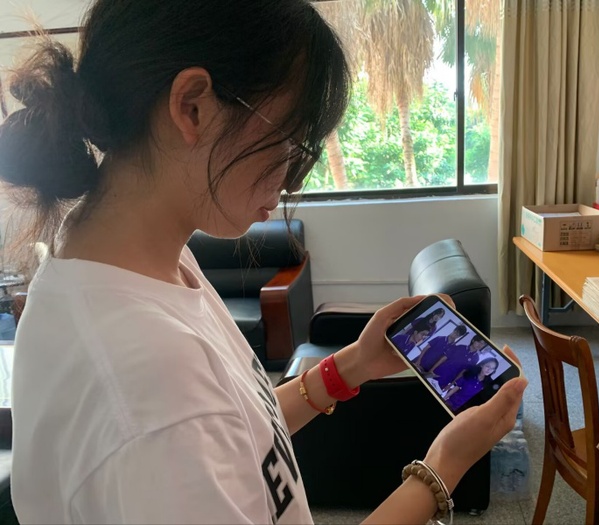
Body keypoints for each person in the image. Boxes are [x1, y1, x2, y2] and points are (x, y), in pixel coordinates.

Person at [0, 1, 527, 523]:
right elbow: (187, 419)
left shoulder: (146, 263)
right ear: (193, 107)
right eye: (293, 147)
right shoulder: (148, 383)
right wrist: (442, 468)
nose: (293, 182)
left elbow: (242, 430)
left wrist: (354, 364)